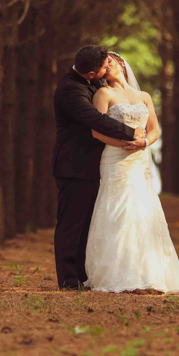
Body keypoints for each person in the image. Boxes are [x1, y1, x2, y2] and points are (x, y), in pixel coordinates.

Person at [84, 52, 179, 294]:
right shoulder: (103, 94)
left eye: (108, 60)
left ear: (120, 63)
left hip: (139, 159)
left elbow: (154, 129)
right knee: (118, 210)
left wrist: (144, 143)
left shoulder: (143, 96)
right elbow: (96, 131)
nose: (106, 65)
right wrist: (122, 142)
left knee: (143, 210)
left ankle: (149, 276)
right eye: (102, 65)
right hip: (115, 157)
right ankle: (120, 275)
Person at [52, 46, 146, 290]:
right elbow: (95, 120)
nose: (110, 67)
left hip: (96, 164)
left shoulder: (94, 83)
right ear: (92, 73)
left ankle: (84, 276)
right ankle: (68, 280)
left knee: (88, 224)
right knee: (72, 224)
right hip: (74, 165)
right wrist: (131, 133)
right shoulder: (70, 89)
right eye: (106, 65)